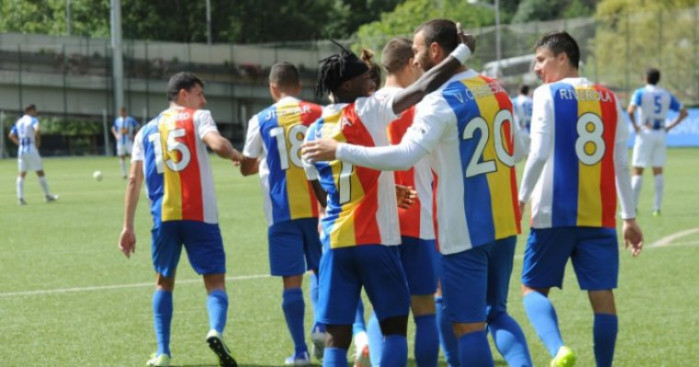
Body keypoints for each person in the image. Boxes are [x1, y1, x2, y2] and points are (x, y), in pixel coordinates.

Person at [303, 19, 531, 367]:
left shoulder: (318, 128)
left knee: (342, 334)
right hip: (449, 222)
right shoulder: (493, 89)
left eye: (417, 47)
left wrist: (347, 162)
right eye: (366, 78)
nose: (413, 54)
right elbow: (518, 149)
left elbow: (326, 187)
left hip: (353, 234)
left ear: (433, 50)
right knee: (444, 316)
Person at [516, 31, 644, 367]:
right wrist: (629, 218)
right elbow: (620, 163)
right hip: (599, 215)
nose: (536, 67)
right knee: (603, 299)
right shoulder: (610, 98)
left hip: (551, 214)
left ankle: (559, 349)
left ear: (563, 58)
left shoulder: (547, 94)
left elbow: (539, 152)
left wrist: (519, 199)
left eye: (541, 59)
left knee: (531, 290)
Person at [118, 72, 242, 367]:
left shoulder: (145, 130)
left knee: (163, 282)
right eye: (200, 93)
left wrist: (127, 226)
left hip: (164, 216)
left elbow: (133, 179)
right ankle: (215, 329)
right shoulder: (198, 118)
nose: (204, 100)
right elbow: (218, 145)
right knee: (214, 280)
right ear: (184, 94)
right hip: (201, 214)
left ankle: (163, 352)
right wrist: (236, 153)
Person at [354, 37, 440, 367]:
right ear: (408, 64)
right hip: (419, 219)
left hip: (380, 222)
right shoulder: (423, 104)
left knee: (385, 309)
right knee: (425, 311)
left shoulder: (368, 105)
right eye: (417, 63)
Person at [239, 61, 325, 366]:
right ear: (299, 86)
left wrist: (252, 162)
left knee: (291, 280)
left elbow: (247, 166)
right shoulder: (318, 111)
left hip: (280, 211)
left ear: (272, 88)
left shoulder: (260, 119)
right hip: (319, 207)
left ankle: (300, 352)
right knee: (321, 271)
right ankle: (320, 326)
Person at [627, 68, 688, 216]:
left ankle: (632, 207)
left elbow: (630, 110)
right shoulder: (666, 94)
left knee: (638, 169)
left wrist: (635, 126)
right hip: (660, 132)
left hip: (645, 132)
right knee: (658, 170)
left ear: (646, 78)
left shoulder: (640, 93)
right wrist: (669, 127)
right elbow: (684, 112)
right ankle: (656, 208)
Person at [9, 104, 58, 205]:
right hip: (31, 148)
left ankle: (20, 198)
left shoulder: (18, 121)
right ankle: (48, 195)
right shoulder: (33, 120)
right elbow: (37, 130)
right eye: (35, 110)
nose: (36, 112)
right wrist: (38, 140)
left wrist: (19, 143)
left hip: (21, 150)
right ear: (30, 110)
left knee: (21, 173)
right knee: (40, 172)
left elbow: (11, 135)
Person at [112, 107, 140, 179]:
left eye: (123, 112)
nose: (122, 113)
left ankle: (133, 172)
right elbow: (113, 128)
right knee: (122, 156)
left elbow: (138, 127)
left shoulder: (130, 120)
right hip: (120, 141)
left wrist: (134, 135)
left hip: (129, 141)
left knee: (133, 156)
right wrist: (116, 135)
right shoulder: (118, 120)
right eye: (121, 112)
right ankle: (124, 173)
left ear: (125, 112)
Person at [512, 85, 533, 160]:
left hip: (520, 130)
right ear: (528, 92)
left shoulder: (514, 101)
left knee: (517, 157)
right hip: (531, 130)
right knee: (530, 157)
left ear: (519, 91)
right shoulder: (531, 101)